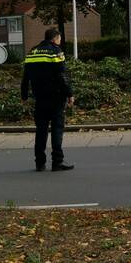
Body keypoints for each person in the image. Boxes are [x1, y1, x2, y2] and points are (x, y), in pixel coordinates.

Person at [21, 28, 74, 172]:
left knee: (41, 130)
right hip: (56, 97)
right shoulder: (56, 51)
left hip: (40, 98)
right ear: (55, 38)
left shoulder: (32, 52)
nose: (60, 41)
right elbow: (62, 76)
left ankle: (39, 163)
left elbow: (26, 77)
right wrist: (69, 94)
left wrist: (24, 95)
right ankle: (57, 162)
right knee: (57, 129)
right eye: (59, 39)